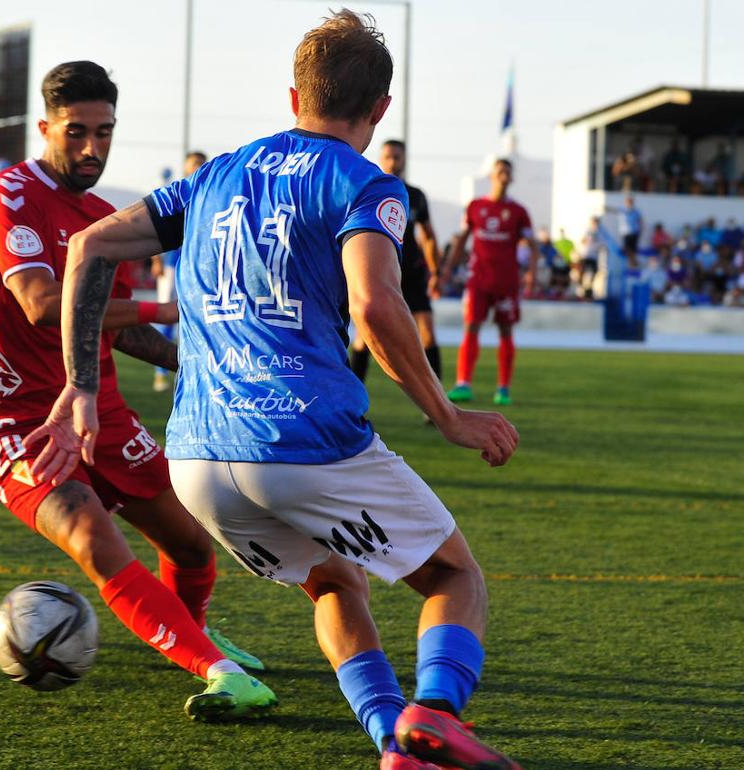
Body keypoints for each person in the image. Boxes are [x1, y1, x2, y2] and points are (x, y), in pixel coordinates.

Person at [29, 13, 523, 770]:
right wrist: (446, 414)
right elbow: (376, 305)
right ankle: (437, 711)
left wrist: (81, 388)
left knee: (334, 582)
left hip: (196, 458)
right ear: (380, 108)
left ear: (294, 95)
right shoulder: (364, 183)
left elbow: (89, 245)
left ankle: (397, 745)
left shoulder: (216, 174)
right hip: (301, 441)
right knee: (453, 575)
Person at [0, 60, 275, 722]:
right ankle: (218, 674)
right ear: (45, 127)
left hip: (99, 408)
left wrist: (197, 361)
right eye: (76, 133)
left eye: (104, 133)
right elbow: (46, 305)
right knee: (94, 537)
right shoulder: (8, 195)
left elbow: (116, 328)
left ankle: (191, 637)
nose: (92, 148)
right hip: (12, 421)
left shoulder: (103, 216)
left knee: (189, 546)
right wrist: (171, 309)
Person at [349, 139, 442, 396]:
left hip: (411, 274)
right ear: (381, 157)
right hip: (378, 273)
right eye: (388, 156)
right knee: (363, 338)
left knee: (428, 335)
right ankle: (352, 397)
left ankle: (437, 403)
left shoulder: (415, 196)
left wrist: (435, 272)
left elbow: (430, 236)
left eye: (397, 157)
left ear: (404, 160)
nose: (393, 161)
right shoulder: (368, 189)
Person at [441, 158, 534, 406]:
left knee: (505, 331)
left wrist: (531, 273)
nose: (503, 174)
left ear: (511, 178)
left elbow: (532, 246)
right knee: (471, 326)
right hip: (478, 280)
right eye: (500, 170)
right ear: (492, 176)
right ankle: (463, 384)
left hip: (506, 282)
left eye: (508, 171)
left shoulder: (519, 212)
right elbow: (462, 240)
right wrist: (448, 268)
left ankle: (503, 388)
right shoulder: (475, 206)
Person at [150, 151, 207, 392]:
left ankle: (191, 370)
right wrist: (156, 260)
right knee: (166, 313)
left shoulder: (209, 193)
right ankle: (160, 372)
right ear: (185, 167)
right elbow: (155, 226)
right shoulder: (176, 192)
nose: (196, 168)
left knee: (194, 316)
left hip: (196, 263)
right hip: (173, 263)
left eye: (200, 164)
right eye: (193, 164)